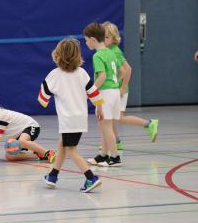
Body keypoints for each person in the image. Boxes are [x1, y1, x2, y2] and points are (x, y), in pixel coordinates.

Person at [39, 38, 103, 192]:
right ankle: (52, 176)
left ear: (57, 55)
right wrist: (99, 107)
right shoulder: (82, 73)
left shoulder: (53, 75)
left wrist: (46, 96)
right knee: (62, 144)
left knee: (71, 149)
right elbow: (94, 93)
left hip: (68, 119)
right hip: (80, 118)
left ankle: (91, 177)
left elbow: (43, 100)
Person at [102, 21, 158, 148]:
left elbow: (128, 69)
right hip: (114, 89)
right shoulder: (107, 50)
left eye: (107, 37)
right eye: (102, 37)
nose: (104, 40)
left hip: (120, 90)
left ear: (114, 38)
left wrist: (122, 88)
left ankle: (149, 124)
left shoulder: (115, 51)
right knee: (111, 117)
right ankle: (116, 142)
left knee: (119, 118)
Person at [83, 22, 124, 167]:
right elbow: (122, 72)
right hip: (114, 93)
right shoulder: (111, 52)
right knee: (105, 126)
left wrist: (91, 90)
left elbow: (102, 76)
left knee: (106, 127)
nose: (86, 43)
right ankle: (103, 155)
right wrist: (114, 84)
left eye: (86, 40)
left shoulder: (98, 55)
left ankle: (114, 157)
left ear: (93, 39)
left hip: (105, 94)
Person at [0, 91, 55, 162]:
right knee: (9, 156)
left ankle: (48, 153)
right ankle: (39, 155)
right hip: (18, 134)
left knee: (22, 141)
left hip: (31, 126)